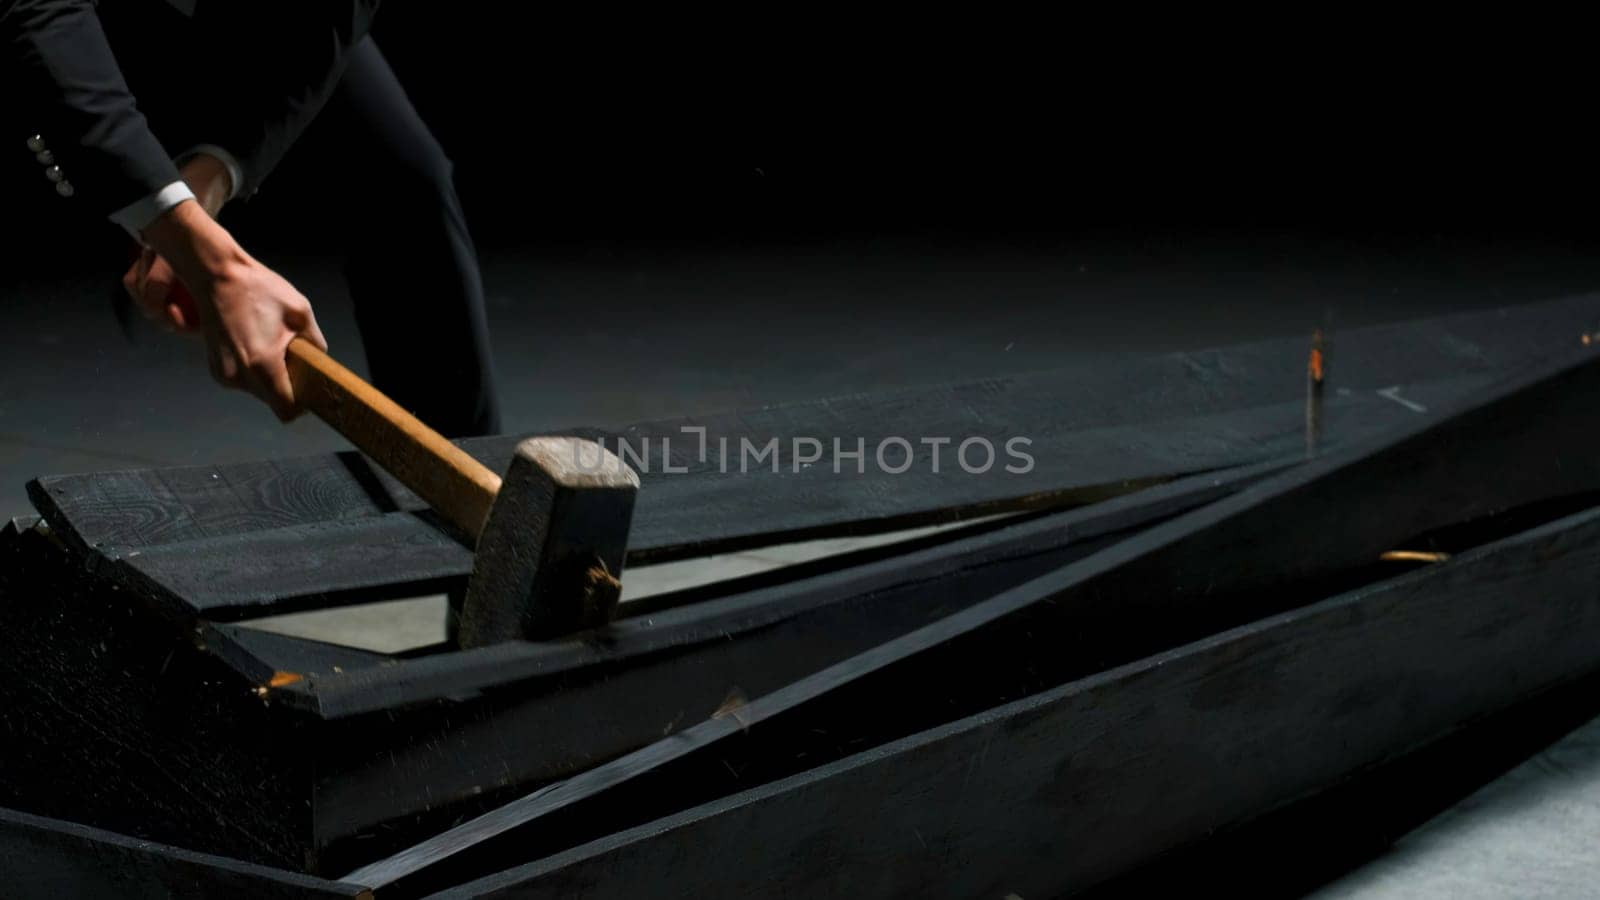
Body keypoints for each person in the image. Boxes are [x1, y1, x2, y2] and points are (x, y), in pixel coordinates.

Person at [2, 0, 500, 436]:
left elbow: (338, 13)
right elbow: (37, 13)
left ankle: (469, 489)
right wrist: (206, 257)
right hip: (78, 24)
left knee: (409, 177)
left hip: (239, 18)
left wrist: (212, 177)